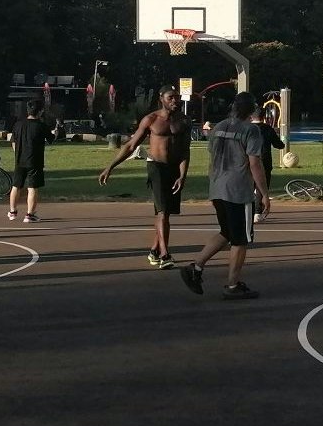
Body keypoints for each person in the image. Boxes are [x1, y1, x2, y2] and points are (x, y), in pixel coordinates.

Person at [178, 93, 270, 301]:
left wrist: (213, 185)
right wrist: (264, 193)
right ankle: (232, 284)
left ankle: (196, 266)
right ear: (251, 110)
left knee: (227, 232)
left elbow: (212, 159)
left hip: (218, 186)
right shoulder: (251, 130)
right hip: (237, 190)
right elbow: (254, 163)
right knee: (240, 239)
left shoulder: (218, 127)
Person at [98, 87, 191, 268]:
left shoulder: (184, 120)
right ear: (161, 99)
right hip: (156, 167)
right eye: (171, 98)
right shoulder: (151, 119)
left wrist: (182, 175)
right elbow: (131, 145)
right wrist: (110, 167)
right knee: (162, 211)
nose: (175, 101)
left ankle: (154, 250)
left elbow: (185, 151)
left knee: (165, 213)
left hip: (174, 169)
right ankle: (165, 254)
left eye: (177, 97)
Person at [7, 99, 49, 223]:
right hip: (34, 161)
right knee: (32, 188)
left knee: (16, 186)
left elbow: (13, 142)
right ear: (40, 111)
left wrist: (17, 154)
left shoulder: (18, 125)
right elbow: (51, 138)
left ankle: (12, 211)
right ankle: (30, 214)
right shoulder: (41, 125)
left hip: (19, 160)